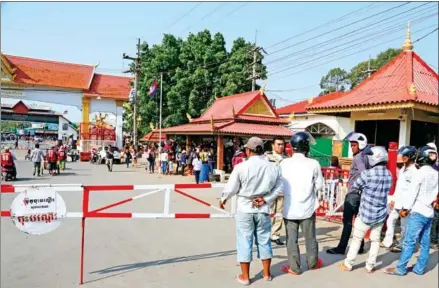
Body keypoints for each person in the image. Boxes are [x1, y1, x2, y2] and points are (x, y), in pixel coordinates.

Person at [220, 137, 283, 285]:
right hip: (263, 208)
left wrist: (223, 198)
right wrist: (266, 199)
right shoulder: (273, 167)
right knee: (264, 239)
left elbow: (231, 188)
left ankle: (245, 276)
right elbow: (279, 187)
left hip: (245, 207)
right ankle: (267, 274)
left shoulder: (241, 167)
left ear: (248, 150)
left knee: (244, 240)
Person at [385, 145, 439, 276]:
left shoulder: (420, 173)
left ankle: (401, 268)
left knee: (409, 241)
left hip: (418, 211)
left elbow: (412, 192)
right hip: (429, 212)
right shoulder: (436, 173)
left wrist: (405, 209)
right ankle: (419, 269)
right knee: (425, 243)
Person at [340, 146, 392, 272]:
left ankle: (348, 263)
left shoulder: (367, 174)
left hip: (365, 213)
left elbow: (356, 185)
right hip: (380, 214)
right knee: (375, 240)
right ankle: (370, 266)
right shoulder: (389, 174)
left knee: (357, 239)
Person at [280, 132, 324, 275]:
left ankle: (294, 268)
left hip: (289, 208)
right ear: (305, 146)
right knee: (310, 238)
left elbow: (279, 185)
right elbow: (319, 186)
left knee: (291, 240)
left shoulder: (283, 163)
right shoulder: (314, 163)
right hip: (307, 208)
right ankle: (312, 263)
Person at [326, 132, 369, 255]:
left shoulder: (358, 158)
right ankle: (359, 247)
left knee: (348, 222)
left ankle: (341, 248)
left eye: (354, 145)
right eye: (351, 145)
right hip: (360, 194)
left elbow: (364, 174)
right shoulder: (366, 157)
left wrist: (357, 186)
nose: (352, 148)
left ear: (360, 145)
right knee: (358, 222)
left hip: (353, 194)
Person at [381, 146, 417, 252]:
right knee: (390, 220)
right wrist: (393, 199)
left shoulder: (414, 171)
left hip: (406, 204)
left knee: (404, 225)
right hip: (398, 200)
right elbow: (398, 186)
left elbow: (413, 190)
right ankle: (388, 241)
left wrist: (408, 207)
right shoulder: (402, 169)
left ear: (411, 157)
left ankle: (402, 244)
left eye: (405, 156)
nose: (403, 158)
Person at [265, 137, 288, 246]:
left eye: (282, 144)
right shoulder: (267, 157)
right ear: (272, 145)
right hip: (270, 189)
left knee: (279, 213)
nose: (281, 146)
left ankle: (275, 235)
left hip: (282, 189)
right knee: (268, 212)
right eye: (278, 144)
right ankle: (265, 233)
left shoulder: (287, 158)